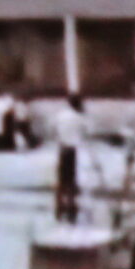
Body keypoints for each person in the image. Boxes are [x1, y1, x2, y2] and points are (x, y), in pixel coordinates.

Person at [50, 94, 89, 222]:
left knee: (61, 179)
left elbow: (53, 129)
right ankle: (71, 206)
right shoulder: (79, 117)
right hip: (72, 150)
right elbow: (86, 131)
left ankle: (59, 206)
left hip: (62, 148)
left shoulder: (61, 115)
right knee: (71, 179)